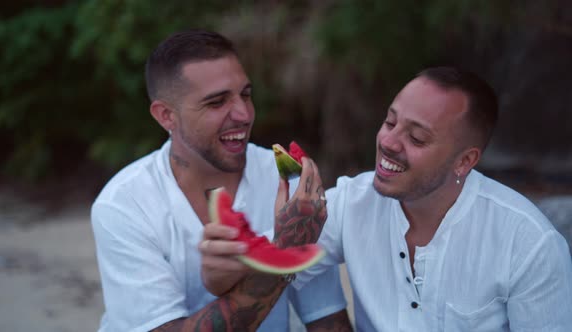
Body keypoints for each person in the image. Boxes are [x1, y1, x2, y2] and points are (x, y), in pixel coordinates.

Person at [200, 66, 572, 331]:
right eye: (390, 122)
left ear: (465, 160)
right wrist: (286, 237)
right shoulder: (351, 203)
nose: (389, 143)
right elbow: (221, 281)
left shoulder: (529, 245)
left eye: (417, 138)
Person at [91, 29, 352, 331]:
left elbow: (326, 318)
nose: (243, 114)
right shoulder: (124, 205)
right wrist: (282, 250)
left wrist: (281, 250)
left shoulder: (286, 180)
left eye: (245, 94)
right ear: (166, 116)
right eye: (216, 103)